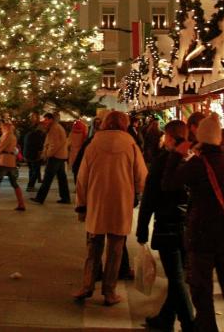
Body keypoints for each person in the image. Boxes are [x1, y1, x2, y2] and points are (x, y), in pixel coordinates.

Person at [162, 113, 224, 332]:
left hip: (201, 232)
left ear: (201, 137)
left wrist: (175, 155)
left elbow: (168, 184)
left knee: (202, 291)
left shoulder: (197, 163)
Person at [73, 111, 147, 306]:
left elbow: (82, 178)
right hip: (121, 202)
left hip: (96, 201)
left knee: (93, 246)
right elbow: (141, 176)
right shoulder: (131, 144)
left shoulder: (93, 144)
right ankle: (109, 292)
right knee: (116, 249)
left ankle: (87, 286)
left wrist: (81, 205)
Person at [136, 120, 194, 332]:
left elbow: (150, 196)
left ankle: (189, 324)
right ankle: (165, 318)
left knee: (176, 278)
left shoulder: (164, 161)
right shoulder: (193, 159)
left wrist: (142, 228)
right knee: (178, 277)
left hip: (168, 224)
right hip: (188, 225)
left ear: (169, 137)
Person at [31, 112, 71, 205]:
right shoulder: (56, 127)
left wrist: (47, 154)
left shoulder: (54, 128)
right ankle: (65, 198)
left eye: (46, 119)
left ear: (51, 119)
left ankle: (40, 198)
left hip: (55, 156)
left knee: (47, 177)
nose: (44, 121)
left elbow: (54, 144)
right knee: (62, 178)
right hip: (60, 155)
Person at [22, 113, 45, 191]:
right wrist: (41, 154)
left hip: (27, 154)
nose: (44, 128)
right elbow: (39, 146)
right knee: (35, 171)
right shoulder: (38, 134)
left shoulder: (29, 133)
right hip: (34, 155)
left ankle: (30, 185)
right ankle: (30, 186)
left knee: (31, 170)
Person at [67, 117, 88, 182]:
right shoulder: (83, 134)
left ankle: (76, 184)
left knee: (75, 170)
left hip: (73, 153)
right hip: (81, 153)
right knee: (80, 170)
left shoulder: (72, 133)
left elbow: (68, 143)